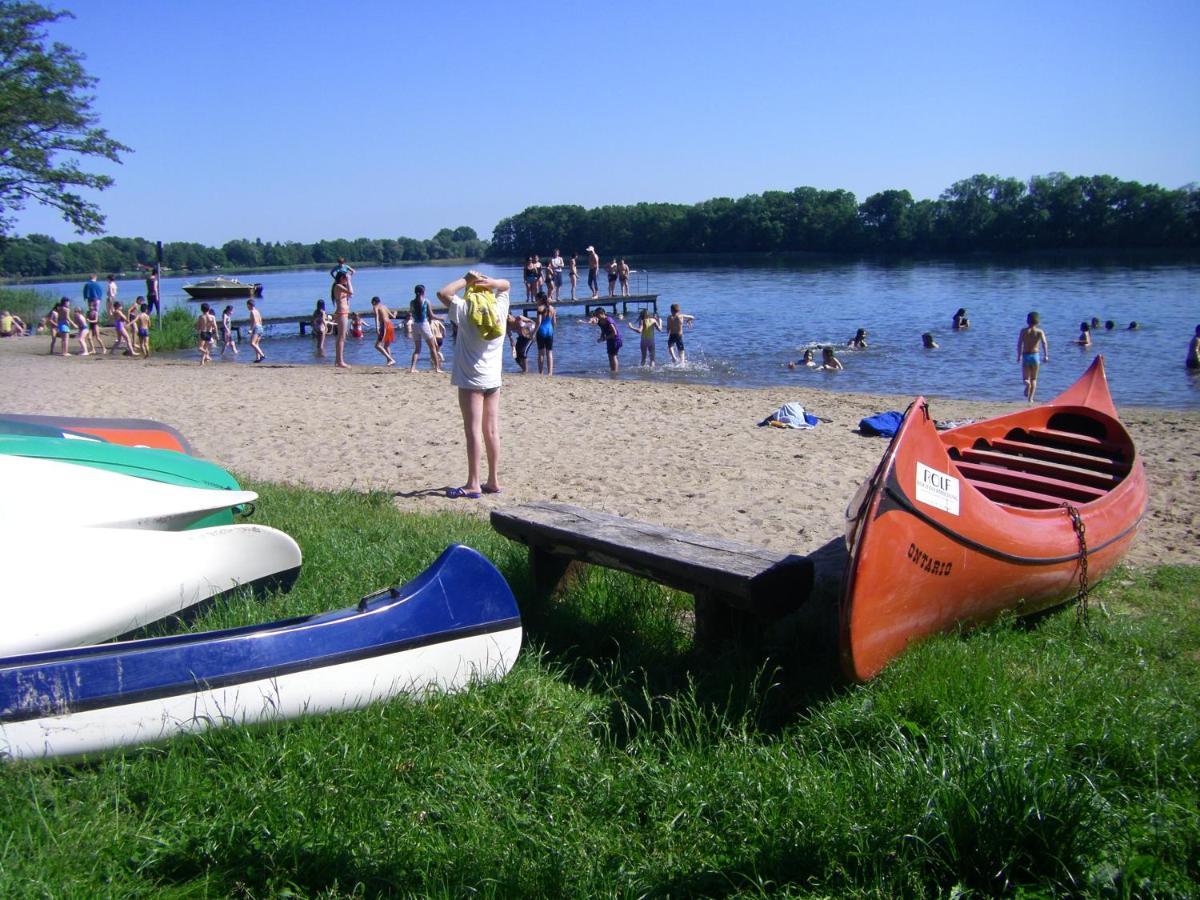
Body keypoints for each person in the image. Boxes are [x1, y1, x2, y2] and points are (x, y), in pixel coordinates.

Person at [436, 272, 510, 499]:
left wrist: (465, 279)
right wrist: (494, 282)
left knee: (473, 430)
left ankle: (473, 483)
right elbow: (506, 286)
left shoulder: (465, 310)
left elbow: (443, 293)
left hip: (471, 381)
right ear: (488, 293)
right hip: (493, 379)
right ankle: (493, 481)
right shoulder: (499, 309)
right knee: (492, 430)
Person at [408, 284, 444, 373]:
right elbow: (431, 315)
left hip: (415, 325)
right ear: (423, 292)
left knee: (417, 349)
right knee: (433, 348)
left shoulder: (412, 302)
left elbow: (411, 313)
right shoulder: (426, 301)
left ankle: (412, 368)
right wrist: (441, 318)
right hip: (424, 325)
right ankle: (437, 368)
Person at [1017, 311, 1049, 403]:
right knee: (1034, 378)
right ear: (1038, 322)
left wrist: (1019, 356)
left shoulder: (1023, 331)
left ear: (1027, 321)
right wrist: (1046, 355)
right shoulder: (1039, 331)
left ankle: (1027, 385)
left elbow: (1019, 344)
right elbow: (1044, 343)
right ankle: (1030, 399)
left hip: (1026, 356)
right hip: (1035, 356)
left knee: (1026, 378)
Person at [331, 271, 352, 368]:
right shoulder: (338, 286)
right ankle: (340, 361)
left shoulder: (341, 287)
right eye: (345, 278)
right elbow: (351, 291)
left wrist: (348, 281)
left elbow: (350, 294)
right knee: (341, 337)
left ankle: (337, 360)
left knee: (341, 337)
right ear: (341, 278)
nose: (346, 280)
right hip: (341, 312)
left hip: (344, 312)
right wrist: (349, 281)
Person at [535, 291, 555, 375]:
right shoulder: (552, 308)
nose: (536, 301)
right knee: (549, 352)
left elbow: (539, 322)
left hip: (541, 330)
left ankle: (541, 372)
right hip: (550, 330)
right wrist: (552, 331)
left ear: (540, 299)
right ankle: (550, 373)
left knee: (541, 353)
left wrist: (533, 333)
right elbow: (554, 322)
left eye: (536, 299)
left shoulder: (540, 308)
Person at [372, 296, 396, 366]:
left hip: (384, 325)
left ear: (374, 302)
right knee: (386, 346)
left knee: (377, 345)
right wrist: (395, 313)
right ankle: (389, 361)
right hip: (390, 325)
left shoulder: (376, 307)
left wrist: (377, 328)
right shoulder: (384, 306)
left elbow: (376, 316)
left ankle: (391, 359)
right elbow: (393, 317)